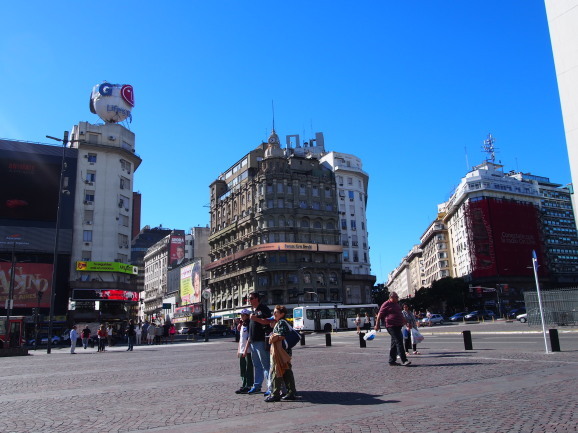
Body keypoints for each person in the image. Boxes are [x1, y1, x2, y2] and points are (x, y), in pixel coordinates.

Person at [265, 305, 297, 402]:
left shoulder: (281, 322)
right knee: (286, 372)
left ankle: (275, 394)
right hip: (283, 351)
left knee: (277, 371)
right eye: (273, 312)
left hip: (280, 352)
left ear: (282, 314)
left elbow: (282, 335)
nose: (274, 314)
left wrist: (272, 337)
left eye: (276, 312)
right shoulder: (280, 322)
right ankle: (291, 392)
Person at [246, 291, 273, 395]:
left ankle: (270, 387)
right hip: (253, 341)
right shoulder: (253, 310)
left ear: (257, 299)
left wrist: (256, 319)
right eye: (249, 298)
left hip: (261, 341)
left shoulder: (263, 308)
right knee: (256, 365)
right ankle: (257, 386)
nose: (249, 300)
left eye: (251, 298)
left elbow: (268, 321)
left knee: (266, 365)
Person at [375, 292, 411, 366]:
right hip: (391, 326)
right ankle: (404, 360)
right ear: (391, 297)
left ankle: (391, 360)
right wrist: (377, 324)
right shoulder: (386, 304)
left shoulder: (397, 305)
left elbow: (400, 315)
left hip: (398, 325)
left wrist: (406, 323)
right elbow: (379, 314)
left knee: (394, 343)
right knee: (399, 341)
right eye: (396, 297)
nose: (397, 298)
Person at [235, 309, 254, 394]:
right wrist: (239, 349)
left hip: (248, 350)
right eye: (241, 315)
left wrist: (246, 350)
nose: (241, 317)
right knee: (242, 368)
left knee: (248, 368)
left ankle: (249, 385)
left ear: (247, 316)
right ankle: (244, 383)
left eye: (243, 315)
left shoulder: (249, 324)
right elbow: (241, 339)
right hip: (242, 349)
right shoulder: (242, 325)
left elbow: (249, 338)